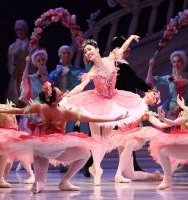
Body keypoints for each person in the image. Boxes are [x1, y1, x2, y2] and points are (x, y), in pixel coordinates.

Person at [0, 81, 129, 193]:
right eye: (60, 93)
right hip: (57, 149)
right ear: (54, 100)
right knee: (86, 154)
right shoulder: (64, 112)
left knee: (40, 182)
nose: (63, 93)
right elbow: (92, 118)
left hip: (41, 147)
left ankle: (40, 184)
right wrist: (113, 118)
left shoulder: (41, 108)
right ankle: (64, 181)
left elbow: (19, 111)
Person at [60, 35, 148, 185]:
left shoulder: (111, 59)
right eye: (85, 52)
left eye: (89, 49)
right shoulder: (92, 71)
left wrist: (132, 37)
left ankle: (96, 167)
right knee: (96, 137)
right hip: (96, 102)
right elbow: (81, 86)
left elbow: (122, 48)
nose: (87, 52)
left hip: (113, 100)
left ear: (97, 49)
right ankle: (97, 171)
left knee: (106, 139)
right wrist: (70, 93)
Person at [107, 89, 167, 183]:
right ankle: (154, 176)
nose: (155, 97)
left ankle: (118, 175)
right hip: (121, 135)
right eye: (154, 94)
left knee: (131, 143)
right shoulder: (132, 100)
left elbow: (160, 124)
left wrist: (172, 122)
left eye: (156, 99)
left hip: (133, 135)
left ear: (153, 103)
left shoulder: (146, 113)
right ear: (147, 92)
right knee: (131, 175)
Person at [112, 36, 152, 172]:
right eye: (125, 47)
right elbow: (134, 81)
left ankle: (131, 165)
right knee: (124, 135)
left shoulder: (120, 63)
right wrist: (150, 90)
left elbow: (133, 81)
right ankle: (90, 164)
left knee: (127, 135)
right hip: (121, 104)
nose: (128, 49)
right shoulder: (119, 64)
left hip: (124, 103)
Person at [50, 45, 89, 173]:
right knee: (63, 134)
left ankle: (82, 162)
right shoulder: (54, 73)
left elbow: (85, 81)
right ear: (60, 55)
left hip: (76, 106)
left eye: (68, 53)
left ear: (71, 55)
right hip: (61, 106)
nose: (66, 55)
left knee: (80, 133)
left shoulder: (77, 71)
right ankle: (63, 163)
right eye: (63, 53)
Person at [7, 19, 35, 105]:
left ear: (26, 29)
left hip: (28, 77)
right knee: (15, 104)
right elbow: (9, 67)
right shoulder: (12, 47)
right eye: (17, 29)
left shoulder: (32, 45)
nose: (19, 32)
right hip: (16, 79)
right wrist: (14, 59)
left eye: (21, 29)